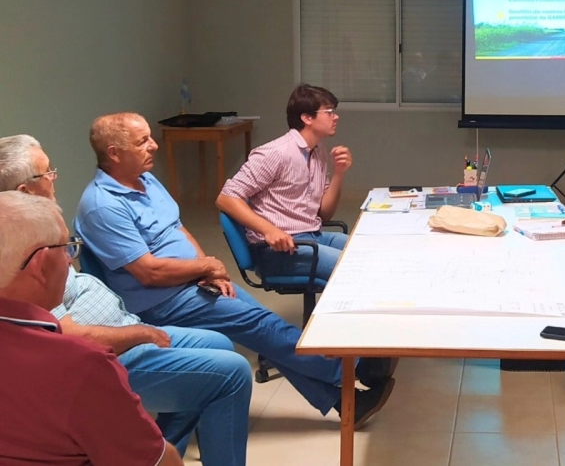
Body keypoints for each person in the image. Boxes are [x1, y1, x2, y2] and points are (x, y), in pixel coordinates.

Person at [74, 112, 395, 429]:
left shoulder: (144, 179)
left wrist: (207, 270)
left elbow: (178, 229)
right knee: (263, 325)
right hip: (160, 300)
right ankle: (351, 371)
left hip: (190, 281)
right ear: (114, 154)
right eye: (142, 141)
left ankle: (344, 403)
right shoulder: (103, 205)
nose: (153, 146)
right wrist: (204, 266)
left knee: (265, 332)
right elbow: (148, 272)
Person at [0, 134, 252, 465]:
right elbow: (69, 339)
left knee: (219, 344)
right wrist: (143, 333)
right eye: (67, 249)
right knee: (234, 369)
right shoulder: (29, 253)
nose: (54, 178)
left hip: (125, 325)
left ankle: (157, 432)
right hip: (120, 345)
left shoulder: (27, 242)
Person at [0, 191, 184, 466]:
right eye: (66, 248)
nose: (70, 260)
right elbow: (157, 462)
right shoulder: (80, 365)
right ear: (39, 265)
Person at [217, 84, 351, 282]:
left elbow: (324, 213)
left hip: (313, 236)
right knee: (355, 269)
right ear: (307, 118)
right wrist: (269, 230)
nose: (336, 117)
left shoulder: (318, 150)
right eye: (329, 112)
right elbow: (226, 198)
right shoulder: (275, 153)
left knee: (366, 251)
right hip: (277, 251)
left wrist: (339, 173)